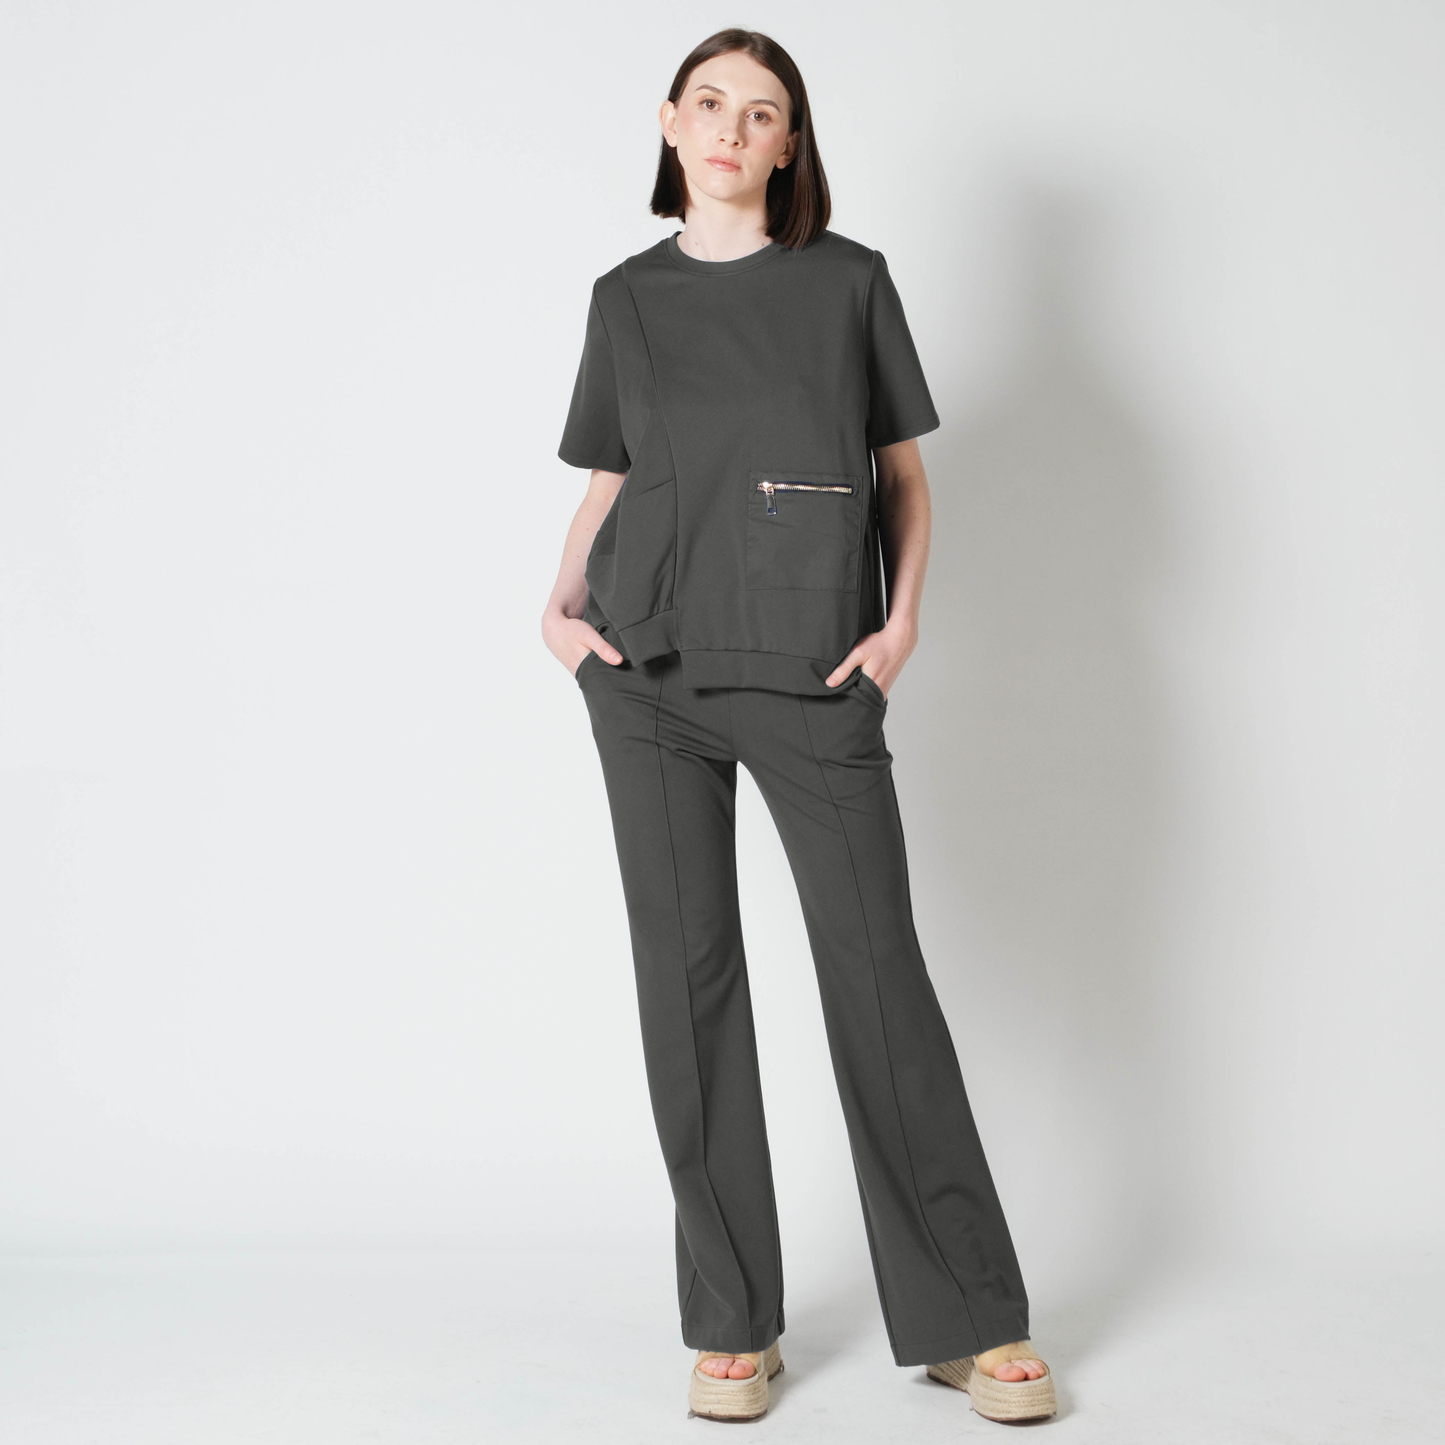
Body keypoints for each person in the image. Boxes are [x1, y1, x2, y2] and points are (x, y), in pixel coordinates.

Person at [541, 28, 1057, 1426]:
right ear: (670, 121)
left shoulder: (848, 284)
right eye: (709, 103)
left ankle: (967, 1316)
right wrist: (558, 610)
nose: (731, 128)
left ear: (789, 144)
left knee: (877, 977)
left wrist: (902, 626)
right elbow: (612, 479)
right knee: (687, 984)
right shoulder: (624, 299)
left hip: (813, 671)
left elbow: (903, 478)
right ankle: (732, 1321)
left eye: (761, 112)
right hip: (646, 673)